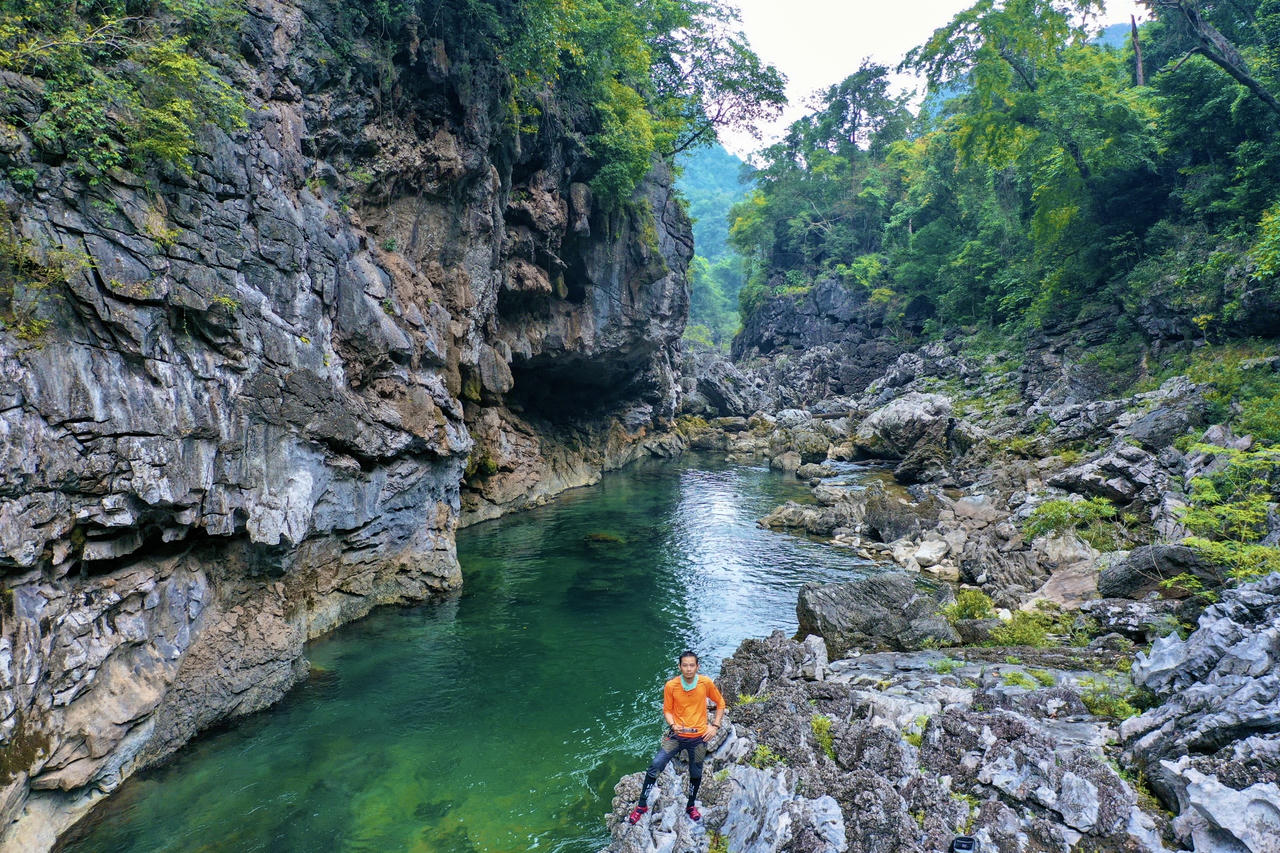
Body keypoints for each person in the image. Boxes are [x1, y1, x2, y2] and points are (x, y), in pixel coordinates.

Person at [627, 650, 725, 824]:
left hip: (699, 739)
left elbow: (720, 703)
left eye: (692, 665)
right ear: (680, 667)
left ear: (697, 666)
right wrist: (673, 725)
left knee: (696, 773)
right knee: (655, 765)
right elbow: (667, 710)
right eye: (685, 665)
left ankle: (691, 805)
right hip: (676, 736)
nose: (688, 669)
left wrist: (715, 726)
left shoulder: (705, 683)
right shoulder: (671, 686)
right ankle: (642, 805)